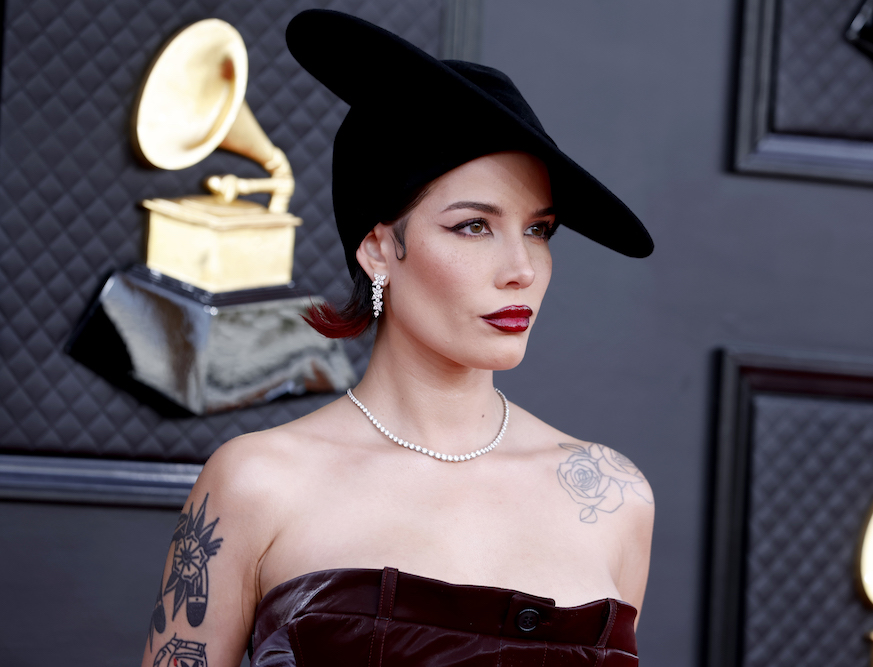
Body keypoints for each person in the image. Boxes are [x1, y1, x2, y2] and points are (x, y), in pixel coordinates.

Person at [141, 9, 655, 667]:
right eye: (473, 226)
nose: (521, 269)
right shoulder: (256, 483)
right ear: (379, 248)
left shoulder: (613, 497)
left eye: (538, 230)